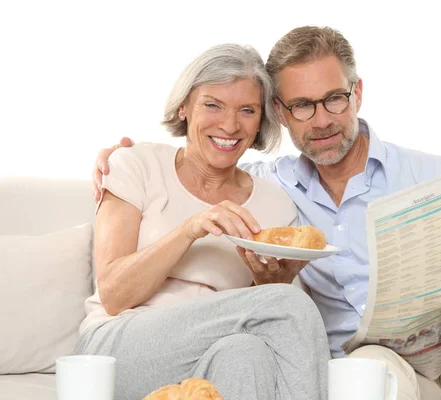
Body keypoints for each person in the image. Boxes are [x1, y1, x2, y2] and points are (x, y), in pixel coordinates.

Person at [92, 27, 441, 400]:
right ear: (282, 111)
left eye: (334, 99)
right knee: (358, 369)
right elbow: (203, 160)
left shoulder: (430, 176)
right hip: (373, 364)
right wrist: (118, 159)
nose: (320, 120)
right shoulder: (264, 186)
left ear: (357, 93)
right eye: (301, 105)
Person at [78, 43, 330, 400]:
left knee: (247, 354)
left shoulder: (275, 203)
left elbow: (268, 328)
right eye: (212, 104)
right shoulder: (136, 164)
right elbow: (115, 295)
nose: (229, 124)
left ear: (261, 122)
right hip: (117, 347)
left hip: (211, 354)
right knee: (288, 306)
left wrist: (270, 282)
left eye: (247, 110)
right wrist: (189, 229)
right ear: (184, 106)